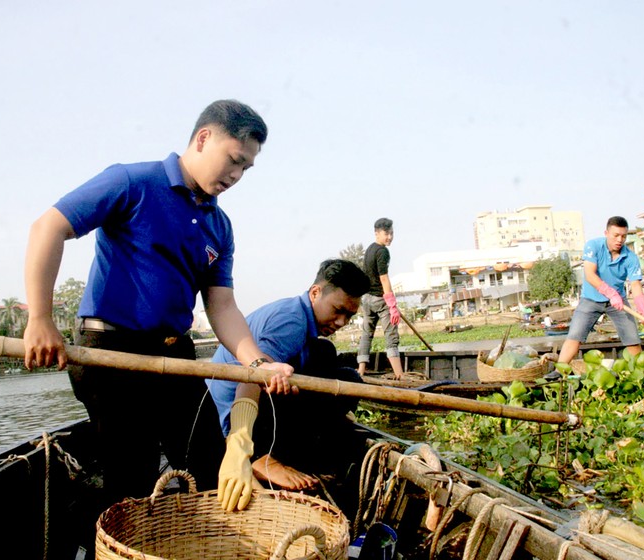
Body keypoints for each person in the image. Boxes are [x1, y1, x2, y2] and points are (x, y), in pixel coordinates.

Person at [22, 99, 294, 512]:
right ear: (204, 138)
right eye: (234, 161)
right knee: (131, 476)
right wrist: (39, 319)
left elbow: (222, 307)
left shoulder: (218, 226)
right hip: (110, 353)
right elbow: (49, 227)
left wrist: (256, 363)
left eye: (245, 169)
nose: (237, 176)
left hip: (173, 353)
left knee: (210, 461)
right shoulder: (132, 181)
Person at [206, 259, 370, 512]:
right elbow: (251, 377)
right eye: (337, 310)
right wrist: (239, 444)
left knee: (324, 351)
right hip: (234, 409)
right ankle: (262, 459)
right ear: (315, 293)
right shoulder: (291, 322)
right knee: (350, 380)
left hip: (248, 403)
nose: (341, 322)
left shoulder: (299, 315)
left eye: (349, 316)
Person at [558, 216, 644, 364]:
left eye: (623, 236)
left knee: (632, 338)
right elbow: (590, 274)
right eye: (616, 235)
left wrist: (643, 309)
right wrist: (610, 293)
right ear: (606, 233)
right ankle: (559, 371)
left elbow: (635, 285)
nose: (619, 240)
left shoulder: (631, 257)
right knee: (574, 336)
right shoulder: (593, 246)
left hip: (618, 303)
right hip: (590, 299)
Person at [357, 218, 404, 379]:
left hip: (367, 299)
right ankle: (400, 375)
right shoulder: (382, 251)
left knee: (366, 334)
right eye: (386, 234)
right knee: (391, 336)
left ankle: (361, 371)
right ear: (377, 233)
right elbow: (384, 278)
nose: (389, 237)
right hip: (379, 299)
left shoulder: (370, 249)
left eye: (391, 233)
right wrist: (392, 305)